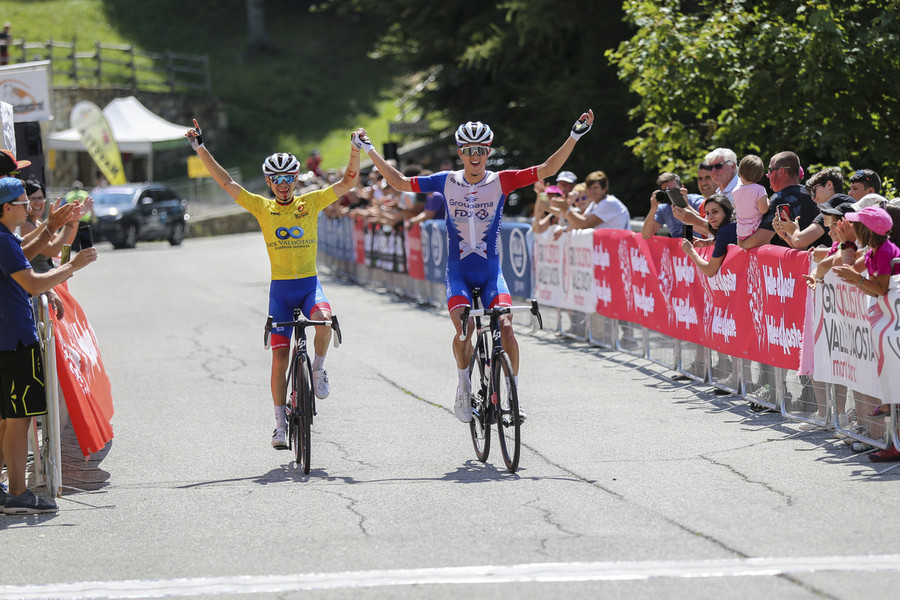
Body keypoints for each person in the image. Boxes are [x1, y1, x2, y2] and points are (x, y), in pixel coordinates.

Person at [355, 110, 595, 423]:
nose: (475, 155)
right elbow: (398, 182)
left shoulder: (501, 180)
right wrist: (370, 149)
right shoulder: (446, 181)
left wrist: (575, 134)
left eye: (481, 149)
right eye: (469, 150)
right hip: (459, 273)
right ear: (461, 154)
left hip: (491, 272)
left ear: (488, 152)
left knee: (506, 326)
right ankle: (463, 385)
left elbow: (548, 168)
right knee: (464, 331)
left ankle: (513, 393)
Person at [185, 119, 360, 449]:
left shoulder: (310, 202)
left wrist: (354, 149)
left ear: (296, 178)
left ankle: (318, 369)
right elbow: (226, 182)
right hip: (280, 292)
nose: (283, 184)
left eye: (288, 177)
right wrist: (200, 148)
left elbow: (348, 182)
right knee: (279, 358)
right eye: (276, 179)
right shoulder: (262, 207)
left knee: (324, 321)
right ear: (268, 181)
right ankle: (279, 424)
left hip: (308, 286)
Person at [1, 177, 98, 514]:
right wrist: (73, 265)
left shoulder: (5, 238)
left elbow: (23, 254)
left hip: (8, 339)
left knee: (8, 418)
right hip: (14, 339)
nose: (29, 207)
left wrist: (51, 225)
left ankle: (11, 491)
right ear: (7, 208)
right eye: (23, 202)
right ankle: (17, 494)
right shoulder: (3, 239)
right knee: (18, 419)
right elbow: (32, 282)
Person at [739, 151, 827, 250]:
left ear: (781, 171)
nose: (767, 175)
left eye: (770, 170)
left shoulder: (779, 198)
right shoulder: (813, 195)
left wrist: (741, 243)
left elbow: (760, 240)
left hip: (790, 258)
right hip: (816, 255)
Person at [20, 179, 83, 273]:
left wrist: (75, 219)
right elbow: (54, 250)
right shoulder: (24, 225)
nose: (37, 202)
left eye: (40, 198)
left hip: (50, 275)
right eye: (32, 198)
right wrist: (71, 266)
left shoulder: (38, 222)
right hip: (38, 279)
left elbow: (65, 244)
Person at [778, 167, 847, 249]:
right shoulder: (848, 206)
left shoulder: (828, 214)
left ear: (829, 185)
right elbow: (802, 248)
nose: (812, 197)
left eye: (813, 191)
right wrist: (785, 236)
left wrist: (794, 229)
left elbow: (799, 241)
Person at [679, 193, 736, 277]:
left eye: (715, 212)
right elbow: (729, 240)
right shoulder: (733, 224)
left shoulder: (725, 231)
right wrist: (708, 243)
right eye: (707, 213)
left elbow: (709, 271)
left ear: (726, 211)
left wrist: (691, 251)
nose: (710, 217)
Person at [555, 170, 630, 230]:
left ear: (604, 189)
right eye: (589, 188)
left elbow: (585, 224)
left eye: (595, 188)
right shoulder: (594, 203)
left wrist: (567, 207)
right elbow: (577, 223)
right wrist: (564, 230)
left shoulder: (608, 203)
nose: (592, 191)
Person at [641, 172, 703, 239]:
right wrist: (653, 209)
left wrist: (686, 206)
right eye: (666, 191)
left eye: (673, 190)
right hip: (680, 245)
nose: (670, 194)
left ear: (682, 188)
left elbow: (708, 226)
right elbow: (646, 235)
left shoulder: (697, 201)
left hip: (701, 244)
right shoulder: (663, 209)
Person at [732, 155, 768, 240]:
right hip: (754, 230)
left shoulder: (735, 191)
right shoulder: (759, 189)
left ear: (740, 173)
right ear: (761, 174)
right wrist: (768, 202)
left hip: (740, 232)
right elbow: (763, 209)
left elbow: (735, 207)